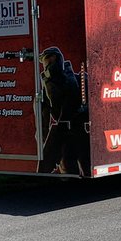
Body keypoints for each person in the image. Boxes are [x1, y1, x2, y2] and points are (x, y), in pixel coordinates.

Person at [38, 46, 85, 175]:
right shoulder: (47, 88)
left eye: (48, 60)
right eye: (44, 62)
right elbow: (44, 118)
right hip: (64, 131)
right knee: (69, 163)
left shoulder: (76, 79)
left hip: (79, 130)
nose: (46, 65)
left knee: (78, 163)